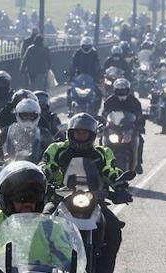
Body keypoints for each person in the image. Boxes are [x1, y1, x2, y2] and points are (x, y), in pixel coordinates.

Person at [40, 113, 128, 273]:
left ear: (92, 135)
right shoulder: (57, 149)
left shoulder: (102, 152)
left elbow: (111, 168)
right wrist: (42, 175)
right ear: (70, 133)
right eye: (77, 132)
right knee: (43, 222)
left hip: (93, 200)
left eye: (84, 133)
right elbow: (47, 164)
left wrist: (119, 185)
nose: (80, 135)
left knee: (114, 228)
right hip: (60, 197)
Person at [102, 79, 145, 174]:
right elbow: (104, 114)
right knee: (102, 139)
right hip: (113, 128)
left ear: (128, 90)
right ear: (115, 90)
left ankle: (138, 163)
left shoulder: (134, 101)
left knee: (140, 140)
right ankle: (101, 162)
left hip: (129, 128)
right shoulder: (110, 100)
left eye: (124, 90)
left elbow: (139, 115)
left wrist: (141, 125)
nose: (121, 92)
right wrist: (102, 123)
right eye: (119, 90)